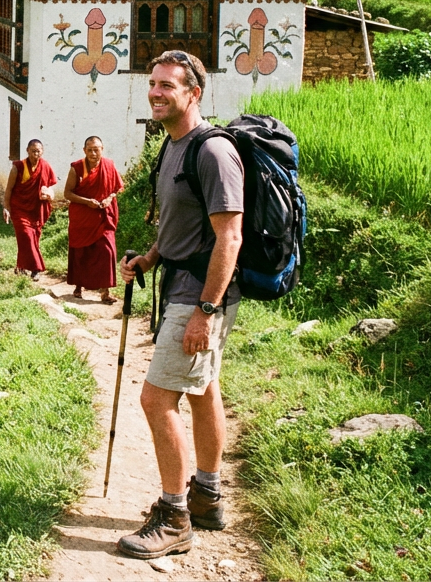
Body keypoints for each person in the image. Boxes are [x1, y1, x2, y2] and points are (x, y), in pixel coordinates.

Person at [117, 50, 244, 561]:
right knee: (202, 389)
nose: (155, 91)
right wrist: (149, 259)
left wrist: (205, 312)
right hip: (182, 285)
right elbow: (181, 225)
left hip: (200, 297)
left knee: (155, 399)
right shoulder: (172, 146)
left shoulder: (212, 152)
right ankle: (207, 498)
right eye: (152, 83)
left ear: (193, 93)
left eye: (167, 85)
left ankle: (174, 518)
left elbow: (228, 237)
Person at [64, 136, 125, 303]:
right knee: (81, 251)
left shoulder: (109, 165)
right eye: (89, 150)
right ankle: (78, 285)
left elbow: (118, 188)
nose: (93, 153)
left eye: (96, 149)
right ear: (84, 151)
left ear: (102, 149)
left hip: (103, 216)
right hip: (82, 216)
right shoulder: (76, 168)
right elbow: (67, 193)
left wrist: (109, 198)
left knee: (107, 250)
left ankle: (105, 291)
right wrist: (87, 202)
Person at [2, 139, 57, 277]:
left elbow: (50, 187)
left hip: (36, 209)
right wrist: (6, 208)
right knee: (26, 235)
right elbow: (9, 189)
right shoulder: (18, 167)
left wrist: (49, 195)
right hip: (19, 208)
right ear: (27, 151)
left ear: (42, 152)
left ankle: (21, 266)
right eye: (33, 151)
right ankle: (35, 268)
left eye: (38, 151)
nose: (35, 154)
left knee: (31, 239)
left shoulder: (45, 166)